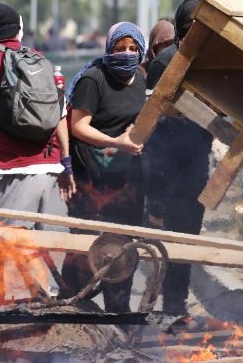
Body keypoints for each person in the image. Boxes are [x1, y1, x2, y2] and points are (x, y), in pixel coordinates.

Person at [0, 3, 74, 227]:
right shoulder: (39, 58)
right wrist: (66, 163)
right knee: (29, 245)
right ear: (18, 30)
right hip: (49, 164)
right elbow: (60, 114)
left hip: (14, 165)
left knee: (10, 247)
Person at [61, 22, 145, 313]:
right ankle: (72, 312)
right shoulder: (93, 80)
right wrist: (116, 142)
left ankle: (118, 317)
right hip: (90, 182)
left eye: (133, 48)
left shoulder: (142, 79)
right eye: (120, 48)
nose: (127, 54)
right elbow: (78, 126)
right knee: (85, 254)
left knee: (122, 253)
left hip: (126, 184)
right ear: (109, 49)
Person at [143, 0, 212, 314]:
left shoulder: (209, 61)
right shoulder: (166, 62)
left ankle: (175, 304)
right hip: (167, 166)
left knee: (184, 241)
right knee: (170, 241)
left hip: (193, 166)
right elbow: (153, 123)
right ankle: (165, 301)